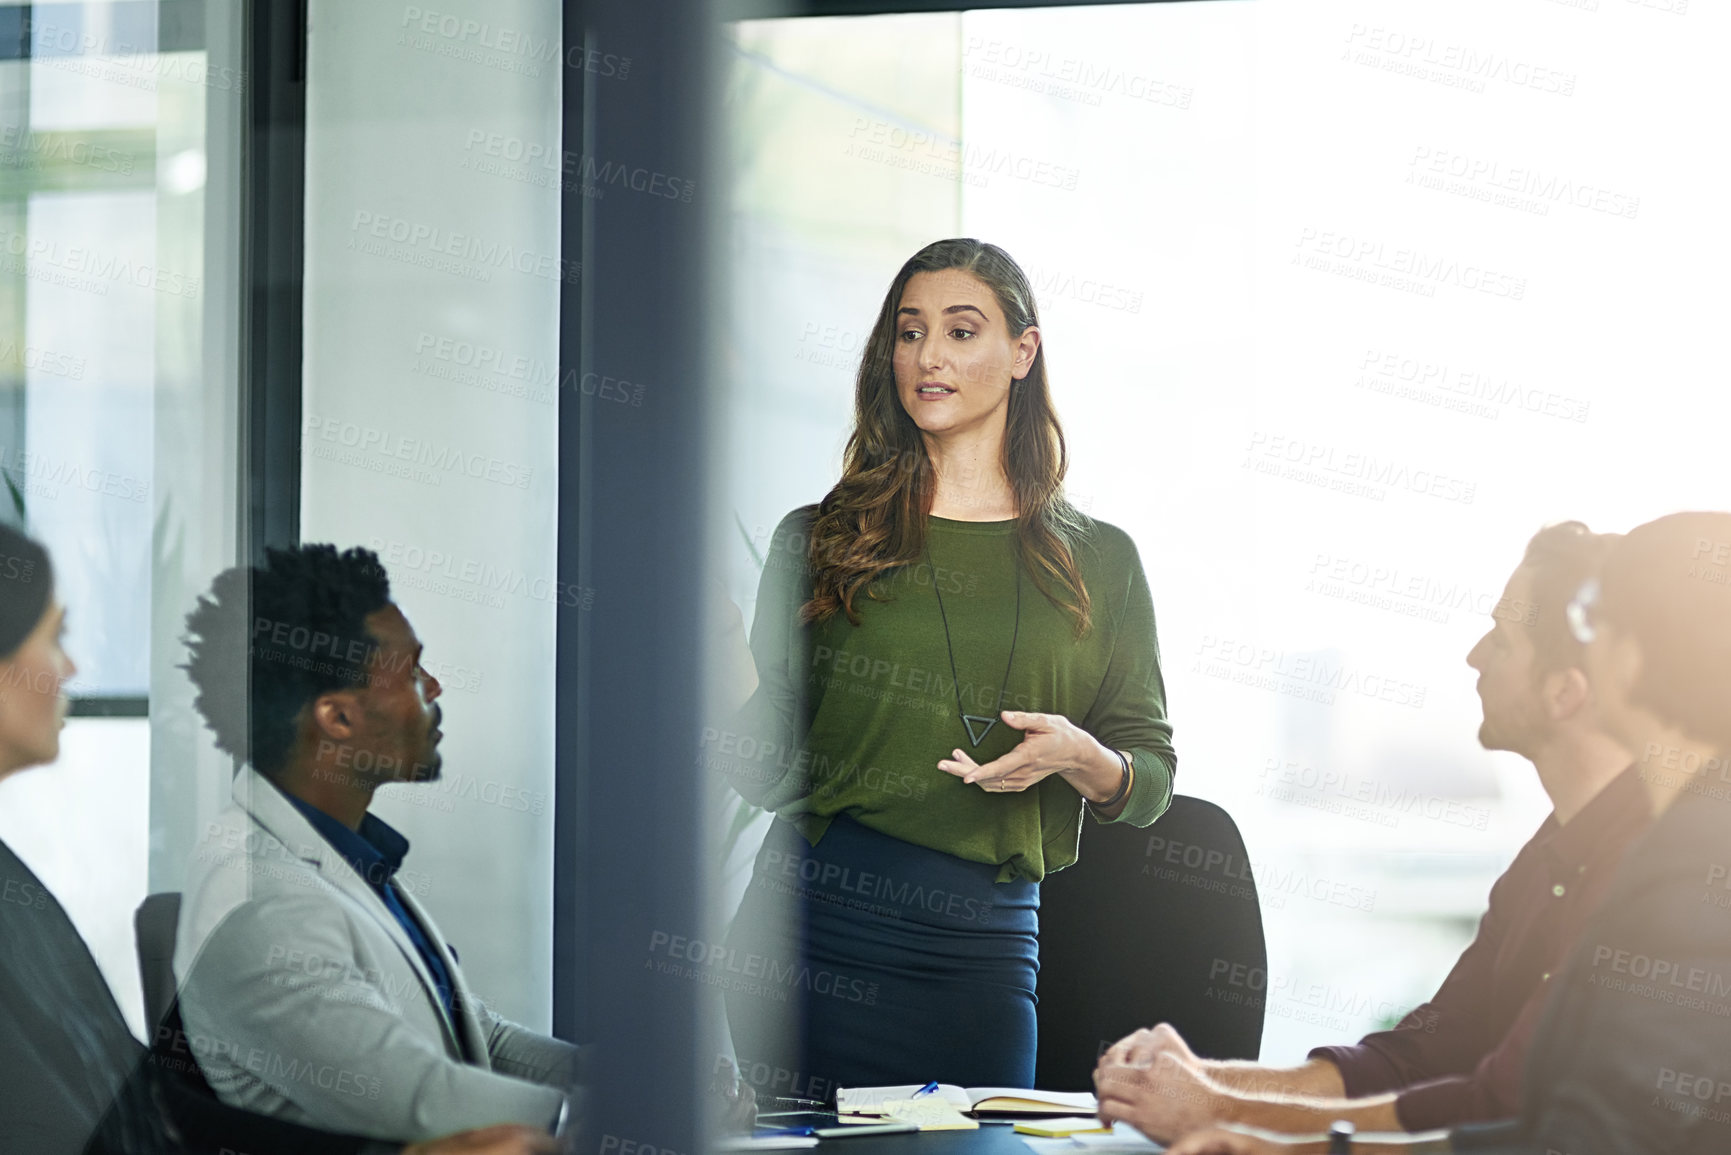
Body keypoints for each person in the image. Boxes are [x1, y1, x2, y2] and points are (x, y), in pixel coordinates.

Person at [715, 238, 1177, 1093]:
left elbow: (1149, 779)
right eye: (908, 331)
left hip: (980, 954)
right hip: (808, 937)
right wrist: (720, 661)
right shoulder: (818, 538)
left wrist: (1078, 753)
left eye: (961, 331)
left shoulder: (1099, 561)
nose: (927, 356)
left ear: (1022, 353)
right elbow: (764, 770)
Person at [1162, 510, 1731, 1155]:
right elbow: (1444, 1061)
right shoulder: (1567, 851)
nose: (1474, 656)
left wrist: (1268, 1135)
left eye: (1596, 621)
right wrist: (1215, 1095)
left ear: (1629, 661)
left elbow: (1553, 1124)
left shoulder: (1684, 860)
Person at [0, 522, 553, 1155]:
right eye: (52, 637)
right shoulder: (261, 899)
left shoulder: (14, 884)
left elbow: (143, 1104)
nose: (70, 666)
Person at [173, 544, 584, 1145]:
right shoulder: (264, 906)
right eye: (414, 673)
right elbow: (423, 1097)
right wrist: (622, 1118)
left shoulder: (334, 852)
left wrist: (624, 1080)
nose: (435, 687)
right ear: (337, 719)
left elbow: (473, 1035)